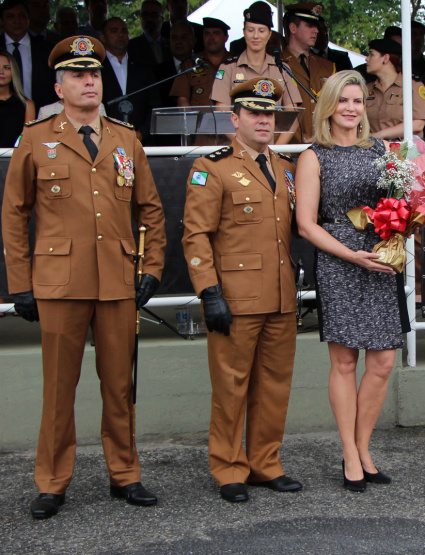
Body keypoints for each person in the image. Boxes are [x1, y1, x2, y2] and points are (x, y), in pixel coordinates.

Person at [0, 35, 166, 519]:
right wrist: (20, 283)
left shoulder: (126, 138)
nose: (89, 81)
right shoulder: (36, 138)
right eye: (77, 75)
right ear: (59, 87)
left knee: (119, 386)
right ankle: (52, 482)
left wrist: (151, 268)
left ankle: (125, 474)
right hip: (60, 281)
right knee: (59, 389)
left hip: (116, 279)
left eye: (94, 73)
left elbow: (151, 210)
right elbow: (14, 213)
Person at [182, 78, 302, 502]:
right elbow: (196, 235)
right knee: (231, 388)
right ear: (234, 119)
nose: (263, 120)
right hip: (235, 297)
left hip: (280, 295)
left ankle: (265, 463)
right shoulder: (212, 167)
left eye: (269, 113)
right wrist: (208, 291)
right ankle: (229, 468)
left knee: (273, 386)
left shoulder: (286, 167)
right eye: (254, 113)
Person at [295, 70, 409, 492]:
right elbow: (306, 224)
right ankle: (349, 453)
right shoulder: (314, 156)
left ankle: (363, 448)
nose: (350, 108)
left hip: (380, 259)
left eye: (358, 101)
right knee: (344, 362)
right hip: (339, 262)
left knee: (382, 362)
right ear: (328, 106)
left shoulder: (382, 151)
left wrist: (406, 223)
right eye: (343, 100)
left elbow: (402, 203)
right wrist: (350, 254)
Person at [212, 3, 302, 145]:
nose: (255, 36)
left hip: (273, 149)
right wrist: (245, 147)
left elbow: (293, 116)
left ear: (269, 34)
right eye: (250, 30)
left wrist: (274, 150)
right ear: (244, 32)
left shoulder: (282, 69)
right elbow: (221, 114)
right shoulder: (228, 68)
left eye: (261, 31)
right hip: (239, 149)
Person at [0, 0, 56, 110]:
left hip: (41, 115)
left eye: (22, 16)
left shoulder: (47, 50)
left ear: (28, 18)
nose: (17, 21)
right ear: (1, 20)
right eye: (11, 16)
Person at [282, 2, 336, 144]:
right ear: (293, 28)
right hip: (289, 149)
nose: (316, 30)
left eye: (316, 26)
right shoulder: (275, 64)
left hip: (324, 146)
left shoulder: (328, 67)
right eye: (310, 25)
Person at [99, 17, 160, 144]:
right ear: (103, 37)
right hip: (106, 141)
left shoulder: (142, 66)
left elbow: (155, 105)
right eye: (114, 31)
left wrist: (141, 134)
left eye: (124, 31)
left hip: (142, 142)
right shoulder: (97, 68)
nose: (120, 34)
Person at [364, 38, 425, 140]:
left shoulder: (413, 86)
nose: (367, 59)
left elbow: (418, 124)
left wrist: (379, 135)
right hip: (372, 148)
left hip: (403, 149)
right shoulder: (367, 89)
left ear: (385, 58)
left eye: (371, 54)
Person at [170, 17, 230, 109]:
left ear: (226, 37)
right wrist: (191, 117)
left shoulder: (236, 63)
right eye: (207, 33)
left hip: (231, 117)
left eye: (216, 33)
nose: (211, 37)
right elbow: (182, 101)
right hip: (199, 118)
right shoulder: (190, 64)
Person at [128, 0, 171, 67]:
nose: (149, 19)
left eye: (154, 15)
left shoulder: (171, 45)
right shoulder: (131, 47)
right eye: (145, 15)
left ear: (162, 19)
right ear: (141, 18)